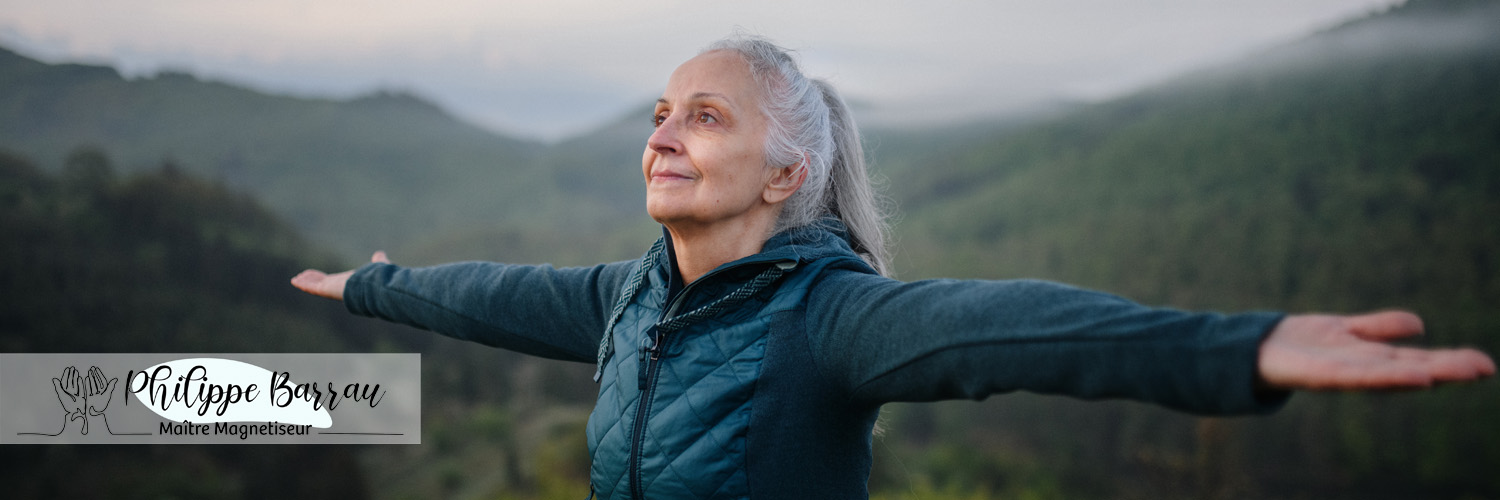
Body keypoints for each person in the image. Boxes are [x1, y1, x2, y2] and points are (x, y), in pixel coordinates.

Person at [291, 35, 1495, 499]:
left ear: (786, 174)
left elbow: (1010, 327)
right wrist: (378, 286)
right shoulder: (628, 297)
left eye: (705, 116)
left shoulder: (829, 321)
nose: (661, 130)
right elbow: (492, 295)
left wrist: (1238, 346)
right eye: (659, 110)